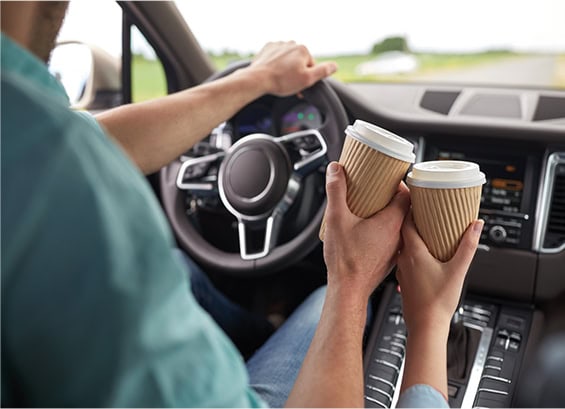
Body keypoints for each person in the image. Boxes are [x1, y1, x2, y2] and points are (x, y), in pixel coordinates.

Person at [1, 2, 482, 407]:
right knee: (321, 304)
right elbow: (77, 148)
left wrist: (253, 80)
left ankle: (267, 324)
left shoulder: (28, 135)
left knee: (177, 266)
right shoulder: (55, 168)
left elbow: (103, 138)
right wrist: (410, 311)